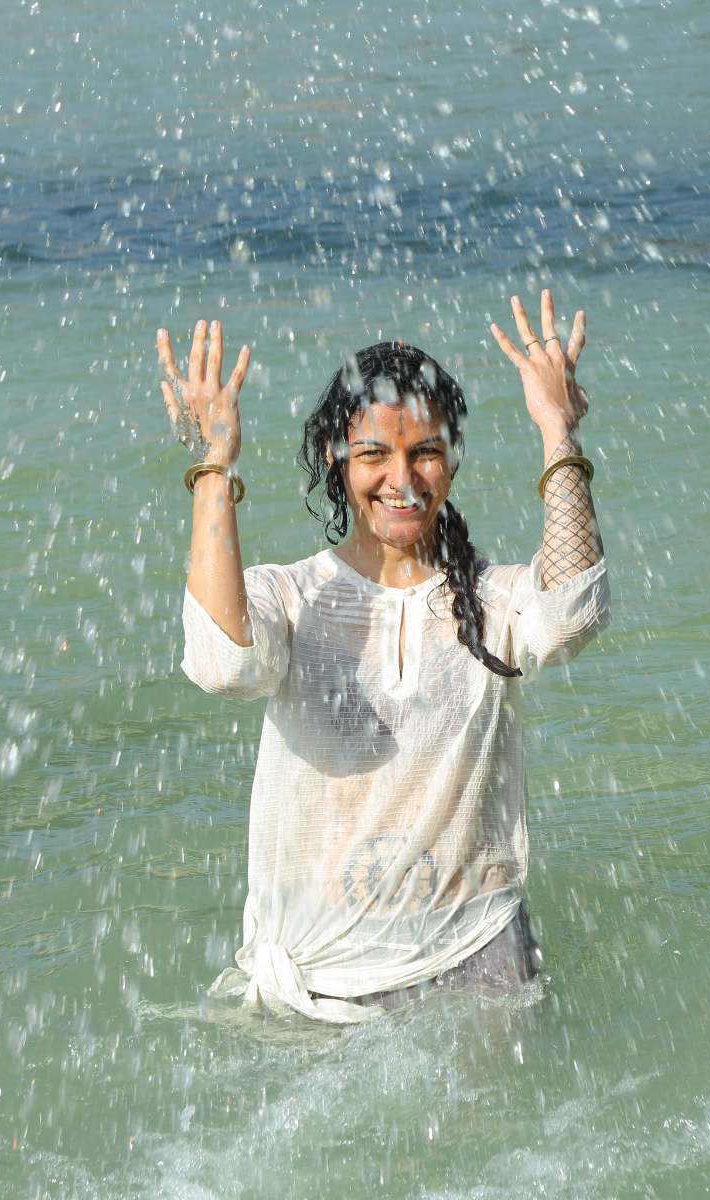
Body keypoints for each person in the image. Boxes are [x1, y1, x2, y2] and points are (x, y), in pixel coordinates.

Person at [156, 289, 609, 1023]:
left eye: (424, 452)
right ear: (336, 461)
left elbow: (571, 614)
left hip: (479, 961)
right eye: (374, 454)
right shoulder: (291, 596)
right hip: (320, 978)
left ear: (452, 461)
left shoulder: (492, 599)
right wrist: (215, 463)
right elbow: (221, 662)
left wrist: (559, 431)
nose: (402, 480)